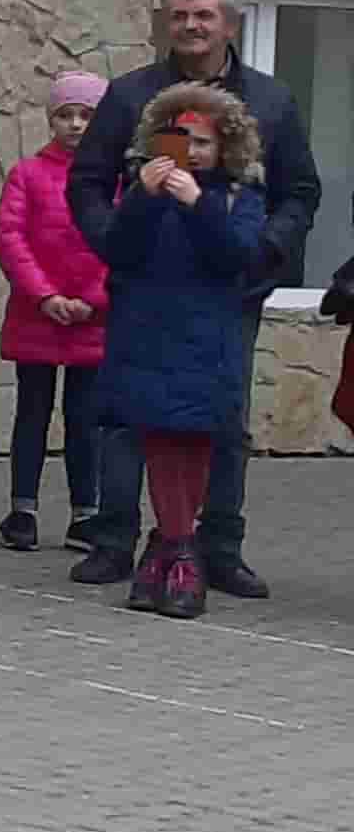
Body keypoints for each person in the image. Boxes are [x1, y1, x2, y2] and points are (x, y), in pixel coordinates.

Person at [65, 0, 320, 598]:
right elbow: (87, 183)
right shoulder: (131, 96)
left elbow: (299, 191)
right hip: (145, 288)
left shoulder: (271, 100)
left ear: (230, 23)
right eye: (179, 15)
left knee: (223, 420)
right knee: (126, 414)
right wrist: (110, 239)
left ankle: (218, 549)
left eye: (204, 15)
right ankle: (114, 541)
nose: (191, 26)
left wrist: (265, 252)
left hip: (229, 291)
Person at [96, 78, 279, 620]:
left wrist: (198, 205)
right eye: (180, 140)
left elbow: (236, 257)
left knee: (193, 442)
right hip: (148, 332)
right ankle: (175, 549)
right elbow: (116, 249)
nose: (191, 152)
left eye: (202, 142)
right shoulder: (143, 193)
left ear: (224, 147)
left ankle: (174, 551)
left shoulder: (241, 197)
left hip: (205, 337)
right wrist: (142, 199)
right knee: (157, 440)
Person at [0, 70, 113, 558]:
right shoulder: (28, 175)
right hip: (37, 315)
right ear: (51, 119)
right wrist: (44, 295)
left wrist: (92, 299)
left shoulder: (113, 181)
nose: (76, 125)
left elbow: (124, 241)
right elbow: (10, 238)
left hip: (91, 318)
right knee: (32, 414)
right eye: (66, 115)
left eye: (86, 116)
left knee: (85, 420)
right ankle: (23, 510)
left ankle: (86, 514)